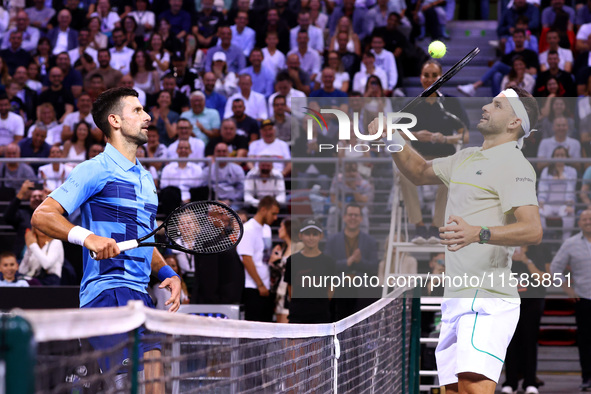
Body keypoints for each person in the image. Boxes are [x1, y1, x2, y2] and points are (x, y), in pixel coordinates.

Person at [368, 86, 543, 393]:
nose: (486, 107)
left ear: (515, 122)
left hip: (487, 298)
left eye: (498, 105)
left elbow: (532, 229)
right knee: (452, 391)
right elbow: (419, 171)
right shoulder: (465, 157)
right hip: (456, 297)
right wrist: (392, 135)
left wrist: (480, 233)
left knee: (473, 388)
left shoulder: (515, 165)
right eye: (490, 102)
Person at [31, 87, 181, 392]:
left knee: (152, 383)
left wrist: (168, 272)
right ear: (114, 120)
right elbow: (42, 216)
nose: (147, 116)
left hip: (138, 295)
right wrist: (89, 238)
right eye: (137, 111)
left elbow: (141, 239)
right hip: (108, 292)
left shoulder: (146, 178)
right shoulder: (94, 170)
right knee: (144, 380)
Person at [550, 209, 591, 392]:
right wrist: (567, 288)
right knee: (586, 341)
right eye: (584, 219)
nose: (588, 221)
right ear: (579, 223)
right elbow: (555, 268)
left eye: (590, 218)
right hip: (583, 298)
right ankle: (587, 378)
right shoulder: (570, 243)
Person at [501, 244, 549, 394]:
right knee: (510, 343)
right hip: (509, 302)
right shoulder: (504, 249)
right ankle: (510, 382)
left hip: (532, 302)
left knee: (530, 341)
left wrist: (525, 260)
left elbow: (545, 280)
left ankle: (530, 382)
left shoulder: (540, 251)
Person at [324, 203, 380, 320]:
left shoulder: (370, 241)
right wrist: (347, 262)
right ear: (344, 217)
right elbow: (327, 266)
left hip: (362, 291)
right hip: (338, 292)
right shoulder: (332, 240)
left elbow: (374, 266)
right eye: (350, 215)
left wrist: (360, 261)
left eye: (356, 215)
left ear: (361, 218)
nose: (353, 218)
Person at [236, 196, 279, 322]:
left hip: (267, 287)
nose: (276, 217)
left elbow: (263, 256)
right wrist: (260, 285)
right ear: (263, 210)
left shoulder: (267, 229)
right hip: (253, 288)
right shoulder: (248, 229)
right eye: (273, 213)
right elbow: (246, 259)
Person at [286, 219, 335, 323]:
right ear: (300, 236)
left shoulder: (328, 261)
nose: (311, 237)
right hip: (297, 315)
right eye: (307, 234)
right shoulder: (292, 260)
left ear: (321, 236)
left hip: (321, 316)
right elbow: (291, 288)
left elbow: (331, 288)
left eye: (315, 234)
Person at [538, 146, 577, 241]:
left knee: (568, 213)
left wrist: (569, 205)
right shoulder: (546, 170)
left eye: (562, 155)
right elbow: (542, 186)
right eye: (557, 155)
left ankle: (565, 240)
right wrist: (541, 202)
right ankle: (543, 239)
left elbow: (572, 189)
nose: (560, 157)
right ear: (553, 157)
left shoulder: (572, 171)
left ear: (566, 157)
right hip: (548, 204)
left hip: (564, 204)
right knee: (540, 212)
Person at [4, 182, 45, 257]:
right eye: (34, 196)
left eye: (40, 196)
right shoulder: (22, 214)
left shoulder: (50, 215)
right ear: (29, 200)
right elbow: (7, 217)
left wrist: (52, 200)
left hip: (45, 255)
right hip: (22, 255)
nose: (37, 198)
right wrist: (21, 193)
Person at [270, 218, 294, 323]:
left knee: (286, 331)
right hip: (279, 292)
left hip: (289, 294)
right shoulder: (283, 248)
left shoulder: (298, 247)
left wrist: (277, 261)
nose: (279, 230)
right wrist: (273, 260)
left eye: (281, 227)